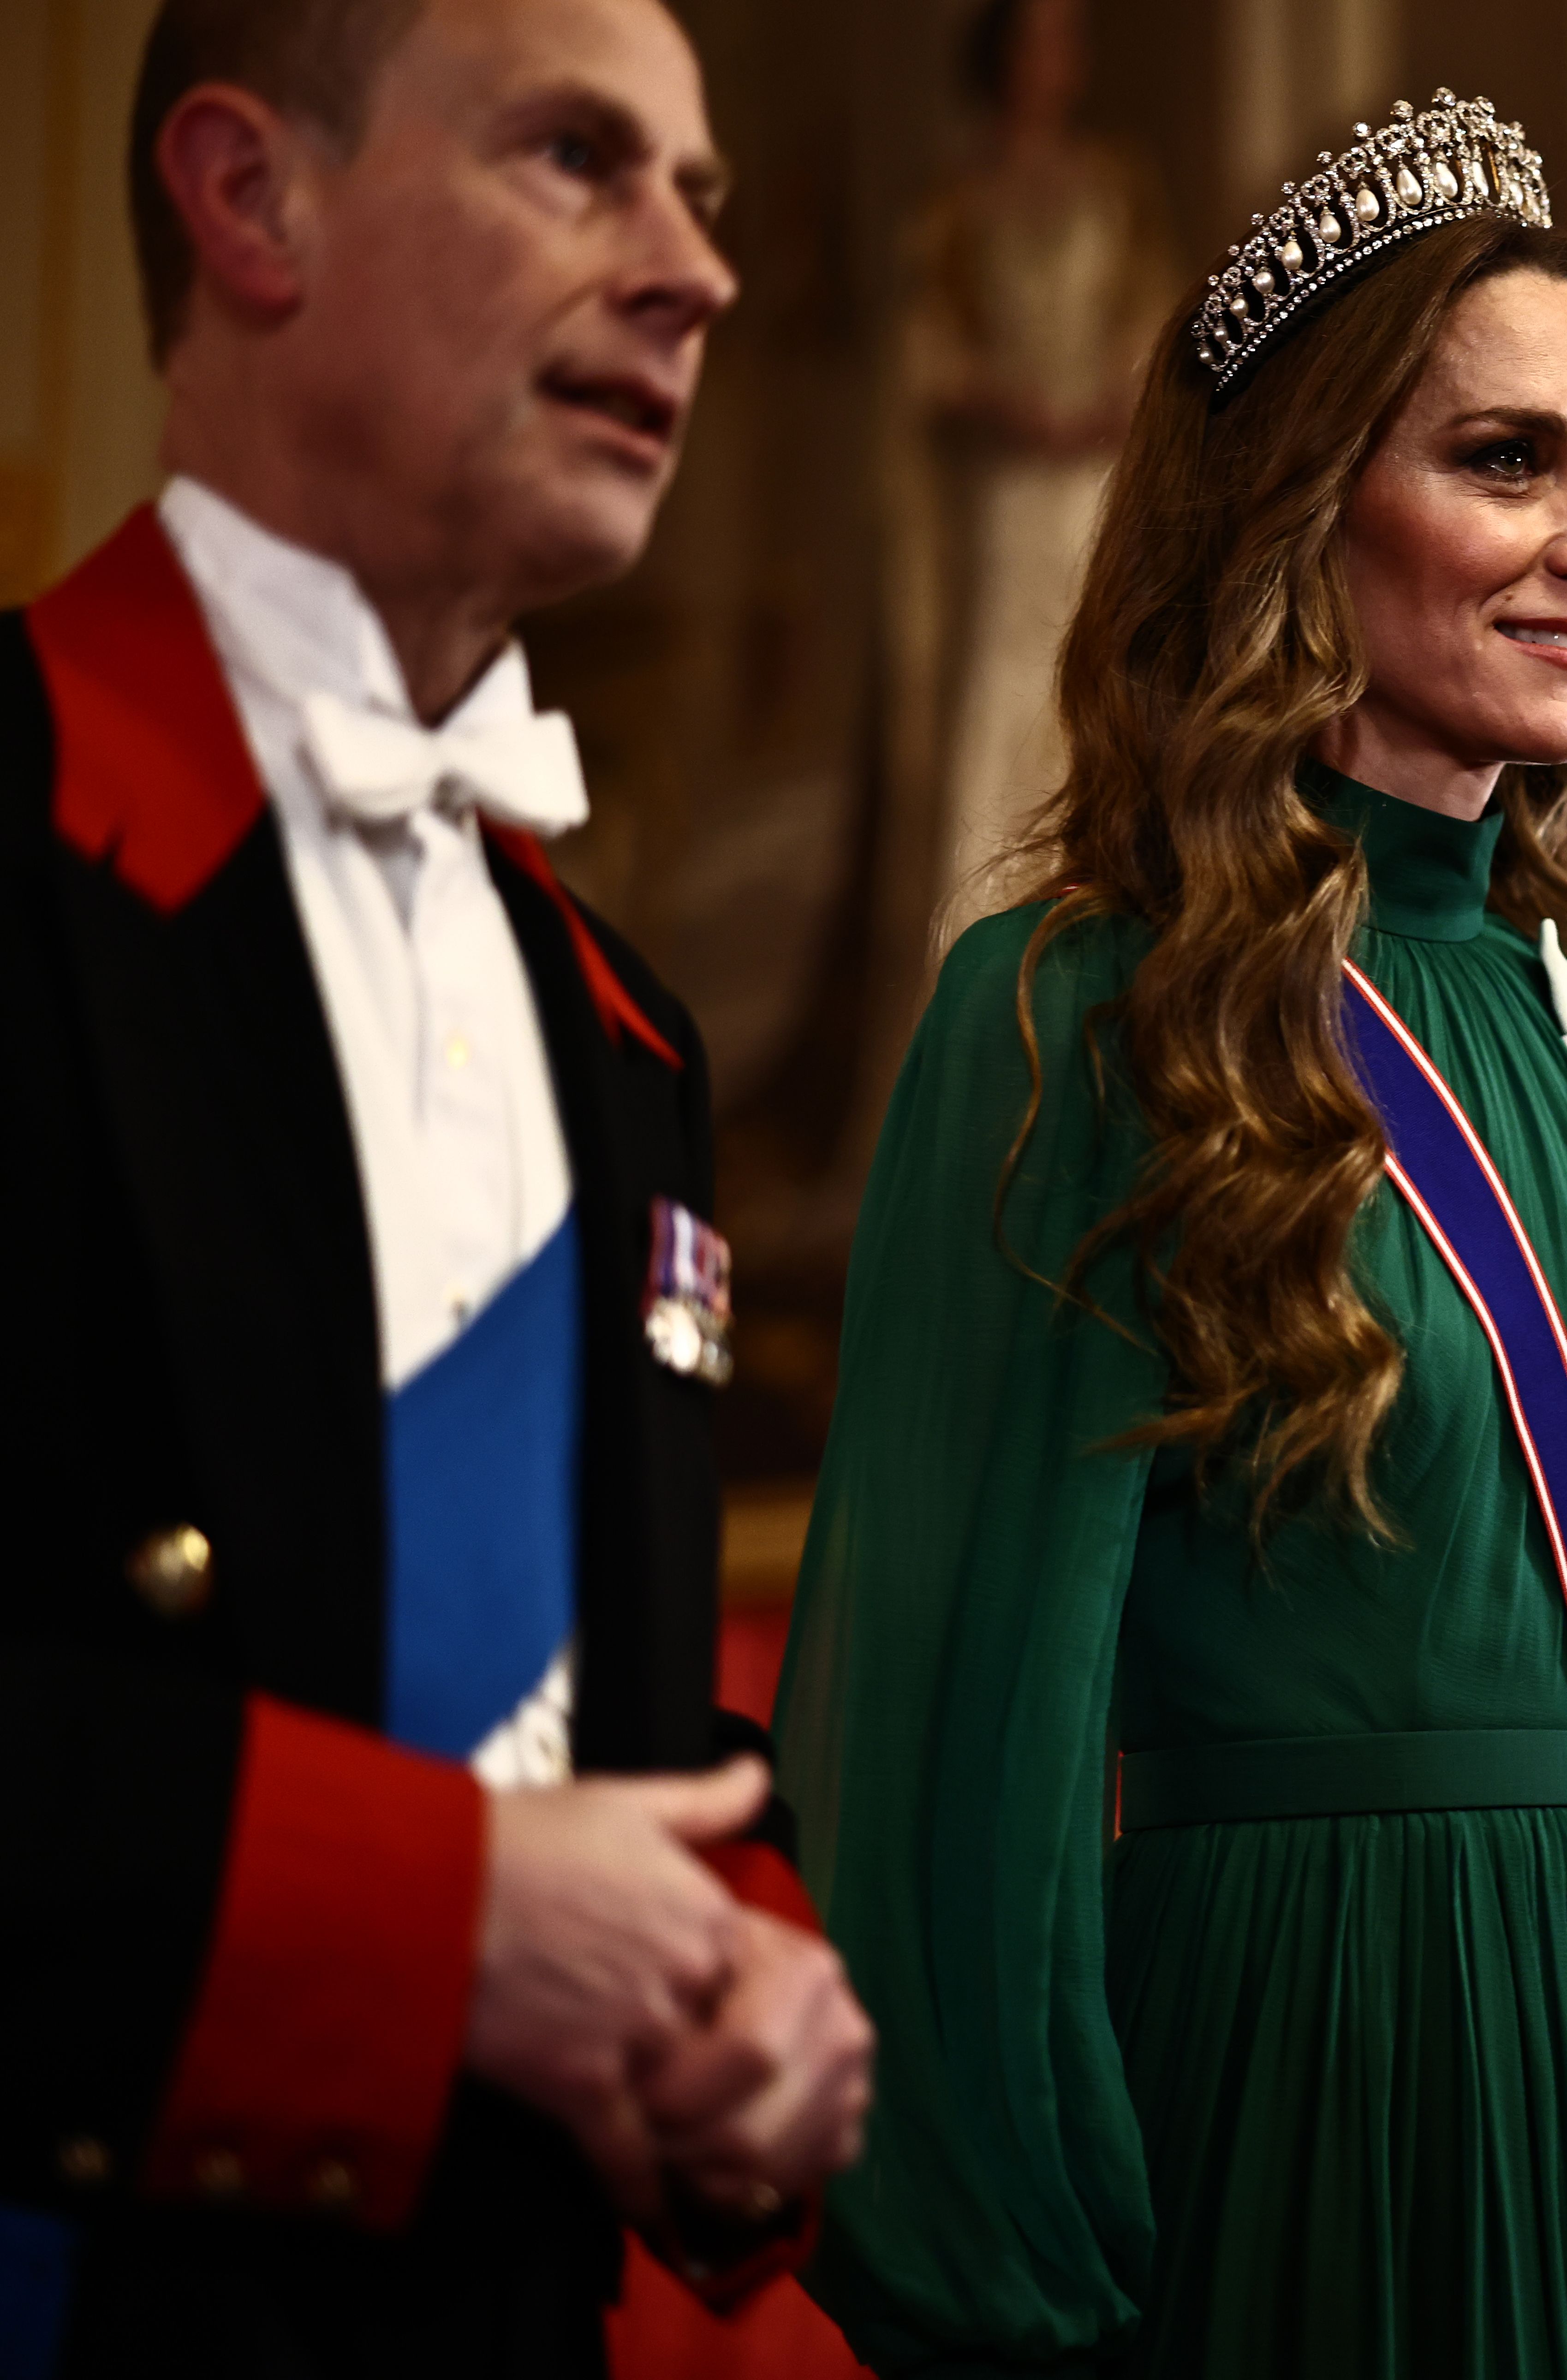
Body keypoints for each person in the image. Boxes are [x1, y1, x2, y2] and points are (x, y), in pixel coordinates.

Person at [774, 93, 1567, 2380]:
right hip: (1294, 2062)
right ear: (1298, 512)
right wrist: (1023, 2238)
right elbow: (961, 1725)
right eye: (1506, 461)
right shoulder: (1079, 1015)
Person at [0, 0, 875, 2371]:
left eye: (702, 195)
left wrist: (750, 1998)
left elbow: (620, 1739)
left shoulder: (630, 1036)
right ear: (250, 198)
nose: (693, 269)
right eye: (577, 158)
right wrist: (432, 1929)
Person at [882, 0, 1174, 945]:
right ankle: (977, 934)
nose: (1054, 61)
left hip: (1095, 479)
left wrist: (1113, 400)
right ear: (1000, 56)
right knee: (1006, 687)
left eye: (1066, 41)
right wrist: (1013, 406)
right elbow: (928, 355)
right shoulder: (957, 200)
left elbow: (1156, 320)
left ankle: (1098, 922)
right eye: (1036, 41)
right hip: (1007, 491)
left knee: (1096, 678)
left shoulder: (1116, 186)